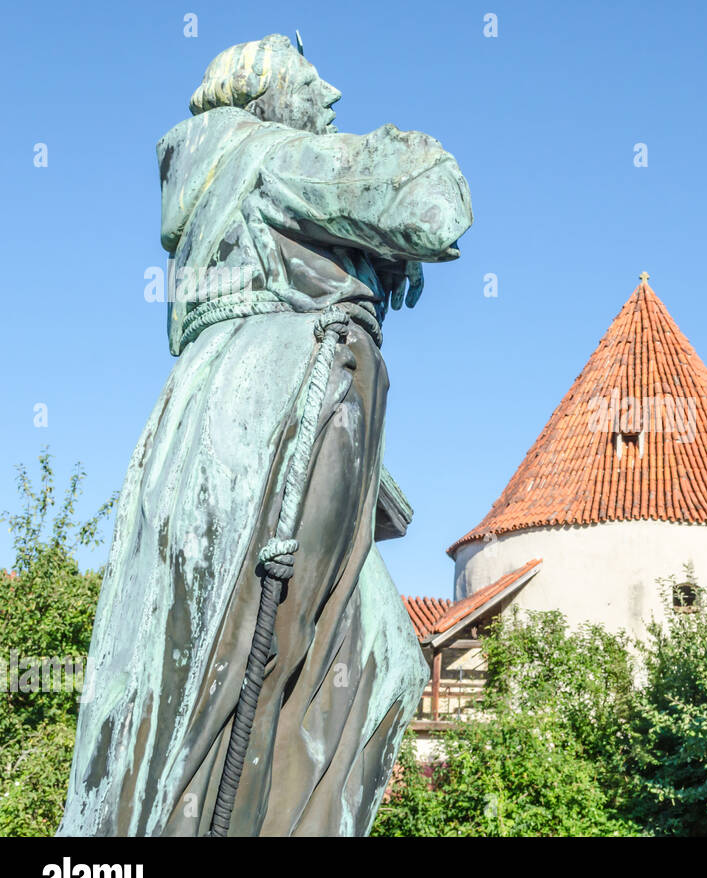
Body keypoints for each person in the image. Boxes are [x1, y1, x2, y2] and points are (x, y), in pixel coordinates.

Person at [59, 34, 471, 836]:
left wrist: (370, 255)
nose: (332, 95)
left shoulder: (229, 174)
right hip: (275, 411)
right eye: (311, 81)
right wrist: (384, 214)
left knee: (380, 653)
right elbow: (432, 197)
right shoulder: (265, 156)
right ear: (267, 93)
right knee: (249, 661)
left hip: (243, 410)